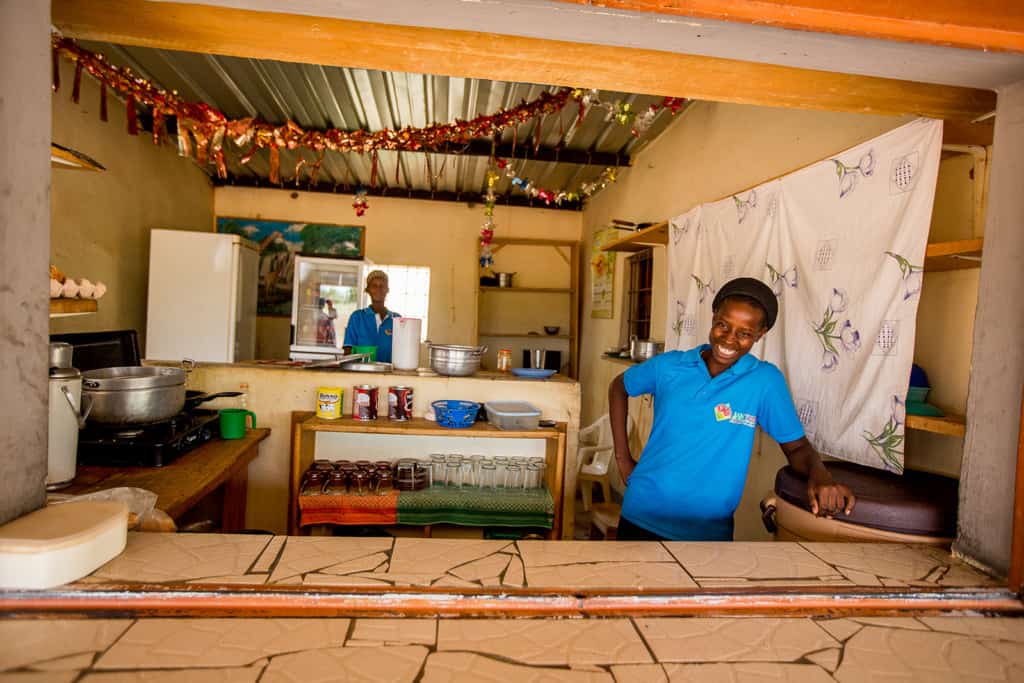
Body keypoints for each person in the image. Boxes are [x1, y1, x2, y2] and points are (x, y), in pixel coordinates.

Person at [608, 277, 855, 541]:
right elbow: (618, 388)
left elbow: (796, 448)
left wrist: (821, 476)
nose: (729, 339)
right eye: (723, 326)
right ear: (714, 317)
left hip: (708, 531)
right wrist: (623, 460)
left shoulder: (764, 382)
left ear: (760, 334)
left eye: (745, 333)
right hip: (642, 515)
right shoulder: (669, 366)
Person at [343, 270, 400, 363]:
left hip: (389, 374)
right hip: (362, 373)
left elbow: (403, 350)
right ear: (368, 290)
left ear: (387, 290)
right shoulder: (357, 317)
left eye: (382, 286)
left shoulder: (397, 319)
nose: (378, 289)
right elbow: (348, 350)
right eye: (374, 286)